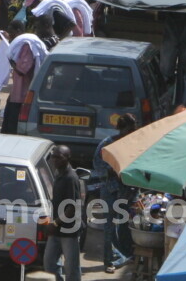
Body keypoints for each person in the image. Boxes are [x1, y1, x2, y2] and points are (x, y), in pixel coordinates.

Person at [95, 115, 137, 271]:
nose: (132, 132)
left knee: (125, 224)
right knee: (110, 227)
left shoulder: (134, 143)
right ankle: (110, 261)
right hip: (110, 191)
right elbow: (98, 166)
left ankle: (125, 255)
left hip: (128, 191)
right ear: (122, 129)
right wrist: (113, 171)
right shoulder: (106, 145)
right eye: (129, 129)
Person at [44, 146, 85, 281]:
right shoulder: (58, 173)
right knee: (49, 263)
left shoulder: (70, 178)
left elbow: (72, 207)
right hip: (56, 230)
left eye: (58, 157)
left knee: (71, 268)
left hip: (69, 231)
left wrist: (55, 223)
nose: (54, 160)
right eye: (53, 157)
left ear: (67, 159)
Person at [3, 19, 49, 131]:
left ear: (18, 31)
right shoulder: (20, 44)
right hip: (18, 90)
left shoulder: (26, 46)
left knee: (14, 123)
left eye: (12, 33)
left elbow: (22, 69)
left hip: (23, 93)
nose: (11, 37)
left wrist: (10, 60)